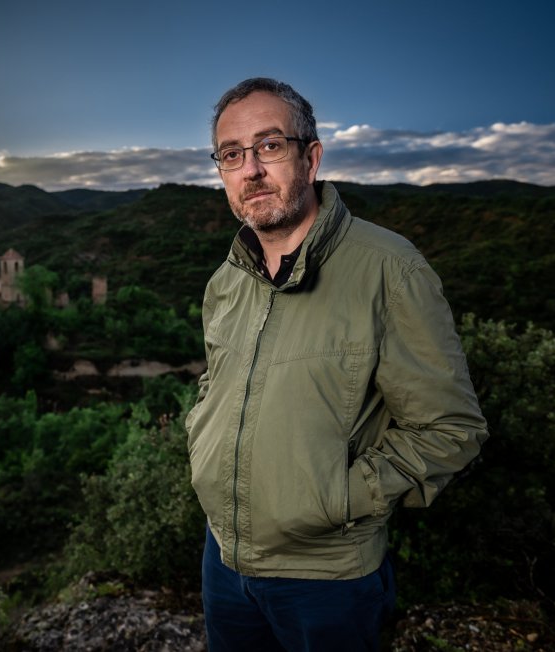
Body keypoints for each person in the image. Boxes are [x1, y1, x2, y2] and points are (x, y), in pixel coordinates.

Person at [184, 77, 489, 652]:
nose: (250, 169)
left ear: (311, 156)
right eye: (231, 154)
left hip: (326, 580)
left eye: (270, 146)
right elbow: (216, 380)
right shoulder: (226, 280)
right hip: (222, 558)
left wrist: (337, 499)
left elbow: (452, 430)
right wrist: (200, 436)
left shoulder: (389, 270)